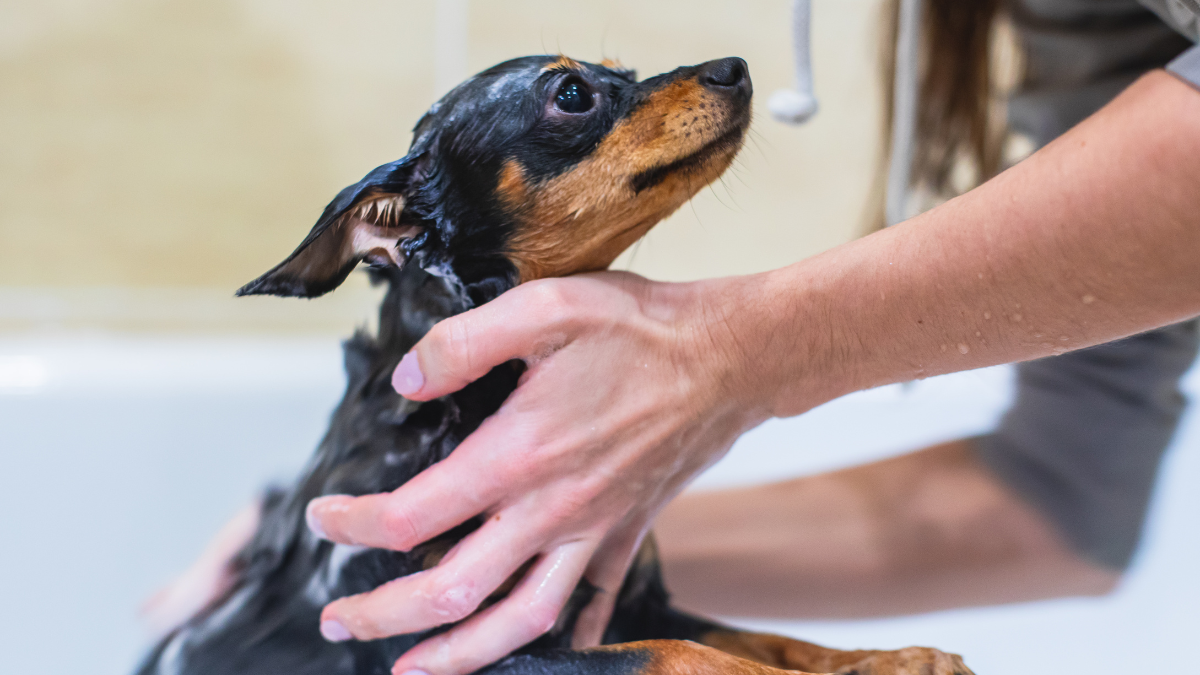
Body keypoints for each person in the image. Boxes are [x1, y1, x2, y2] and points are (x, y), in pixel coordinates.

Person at [149, 1, 1200, 674]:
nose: (708, 80)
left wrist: (741, 350)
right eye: (577, 101)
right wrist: (421, 545)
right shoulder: (1087, 21)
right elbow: (1056, 506)